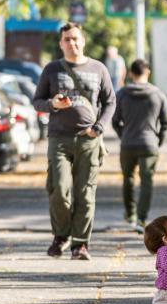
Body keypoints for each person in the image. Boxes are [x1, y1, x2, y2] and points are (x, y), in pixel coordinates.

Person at [32, 23, 116, 261]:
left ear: (83, 40)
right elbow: (37, 101)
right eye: (67, 39)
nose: (72, 43)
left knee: (85, 193)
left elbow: (110, 102)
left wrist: (99, 128)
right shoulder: (51, 69)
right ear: (61, 43)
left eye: (76, 38)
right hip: (59, 138)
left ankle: (80, 244)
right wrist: (52, 105)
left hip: (88, 139)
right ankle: (61, 235)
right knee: (58, 188)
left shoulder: (98, 68)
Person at [112, 59, 167, 233]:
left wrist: (124, 136)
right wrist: (157, 141)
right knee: (147, 182)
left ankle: (129, 214)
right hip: (149, 144)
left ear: (131, 74)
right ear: (148, 72)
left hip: (128, 143)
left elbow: (115, 121)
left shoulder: (122, 94)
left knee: (128, 179)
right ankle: (141, 218)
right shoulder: (158, 95)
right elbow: (165, 123)